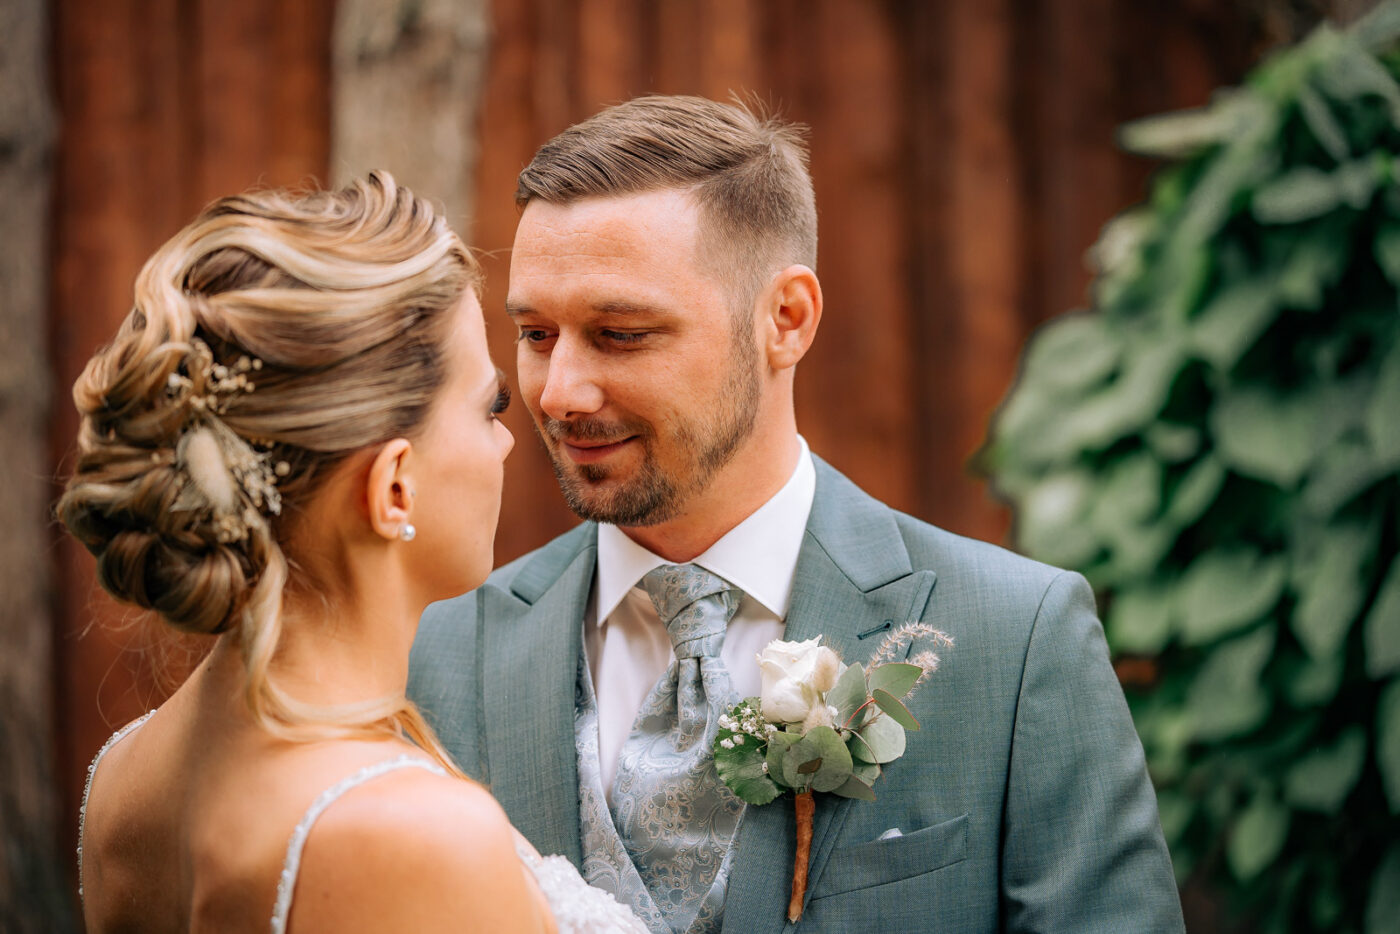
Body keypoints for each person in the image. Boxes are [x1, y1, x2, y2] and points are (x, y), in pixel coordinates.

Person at [409, 96, 1187, 933]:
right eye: (534, 335)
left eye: (621, 333)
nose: (560, 392)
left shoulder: (1017, 638)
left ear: (787, 320)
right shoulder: (438, 653)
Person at [60, 172, 647, 933]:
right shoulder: (412, 833)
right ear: (394, 488)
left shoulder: (125, 773)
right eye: (488, 408)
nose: (509, 440)